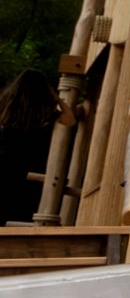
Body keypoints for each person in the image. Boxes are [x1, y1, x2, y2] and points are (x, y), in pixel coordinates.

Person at [0, 69, 77, 224]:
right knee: (25, 214)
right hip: (35, 169)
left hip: (7, 166)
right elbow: (70, 121)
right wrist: (59, 100)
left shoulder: (7, 108)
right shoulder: (46, 114)